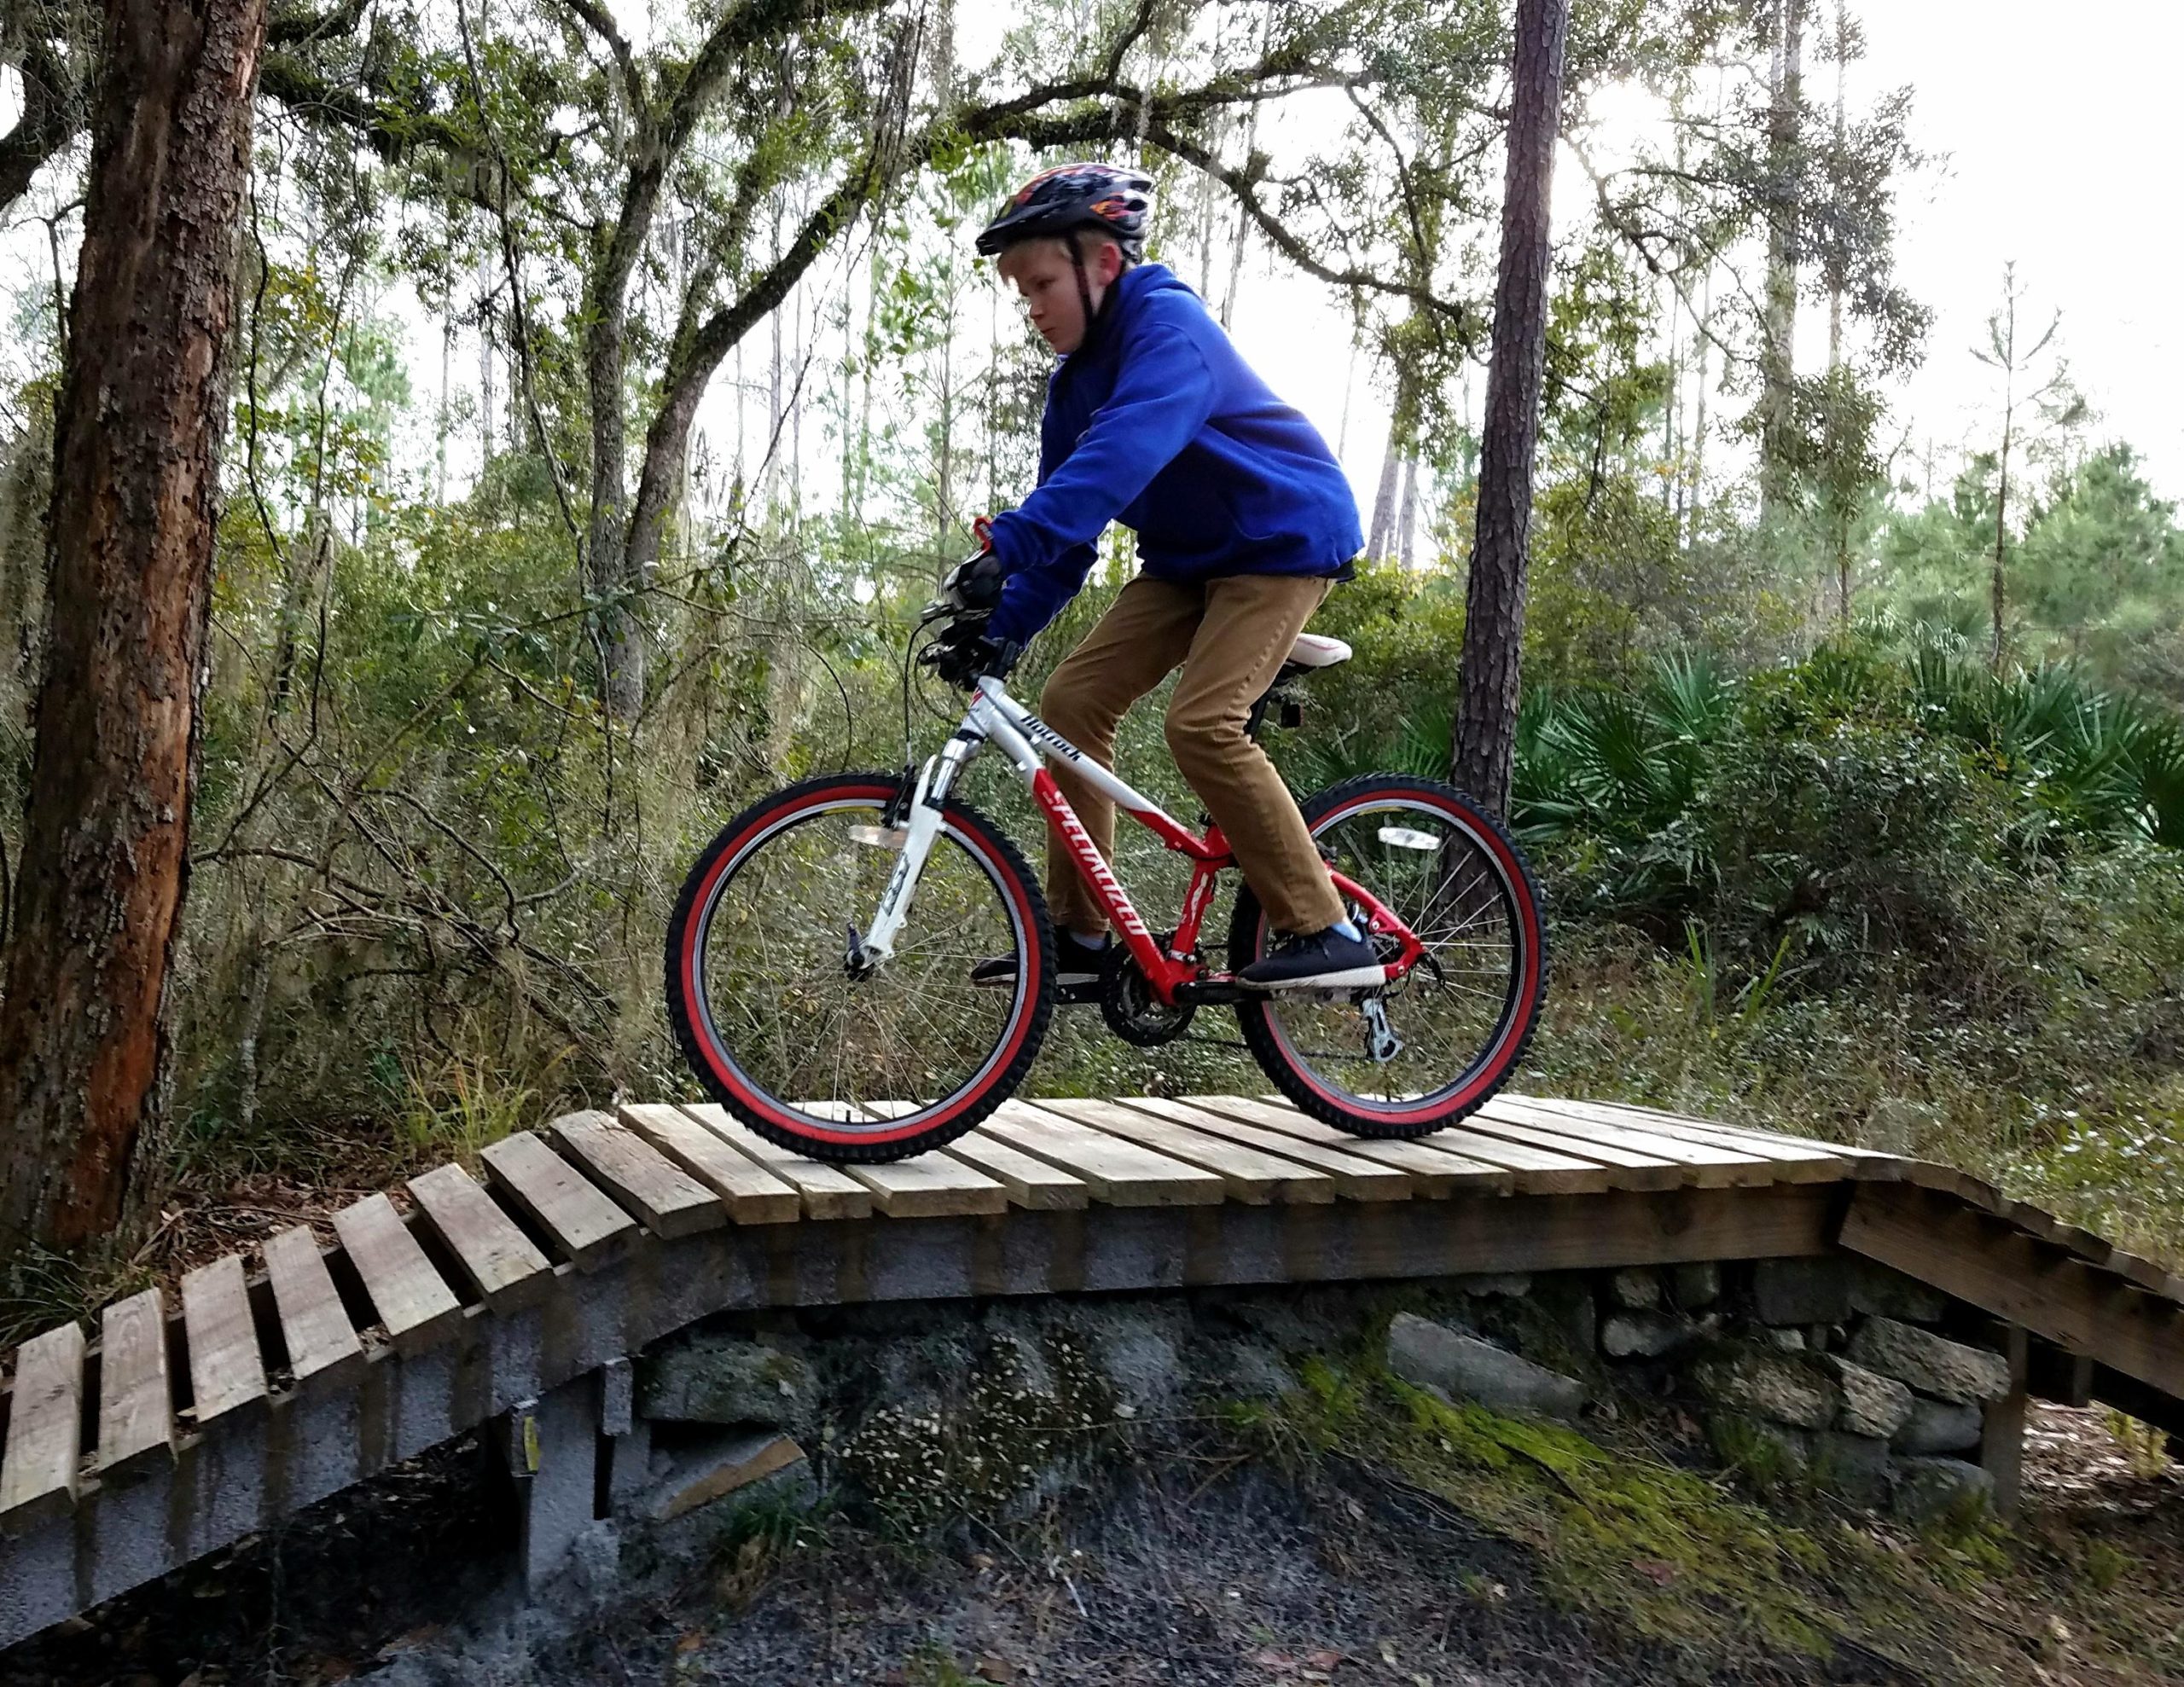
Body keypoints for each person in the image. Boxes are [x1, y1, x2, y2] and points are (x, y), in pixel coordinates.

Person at [941, 160, 1381, 1000]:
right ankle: (1079, 935)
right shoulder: (1071, 385)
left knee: (1202, 724)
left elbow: (1121, 458)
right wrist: (1003, 625)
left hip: (1280, 540)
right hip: (1188, 563)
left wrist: (1015, 538)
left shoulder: (1167, 329)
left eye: (1040, 282)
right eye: (1019, 291)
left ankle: (1323, 926)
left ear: (1102, 262)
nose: (1031, 305)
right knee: (1071, 703)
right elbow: (1065, 542)